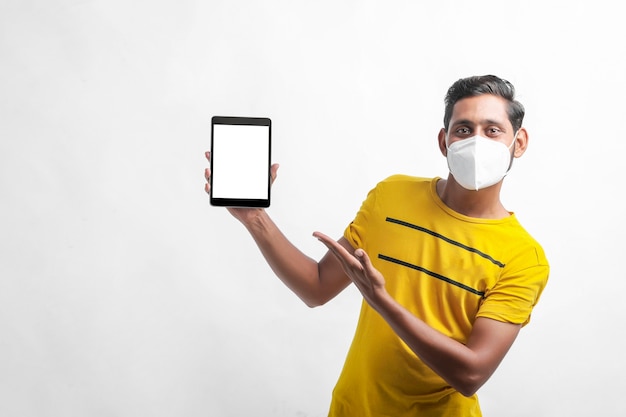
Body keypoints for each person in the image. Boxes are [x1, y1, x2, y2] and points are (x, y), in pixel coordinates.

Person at [204, 75, 549, 417]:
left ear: (518, 143)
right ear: (444, 141)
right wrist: (255, 219)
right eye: (463, 129)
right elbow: (316, 287)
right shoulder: (391, 196)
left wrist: (382, 302)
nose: (476, 142)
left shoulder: (523, 257)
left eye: (492, 130)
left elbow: (471, 374)